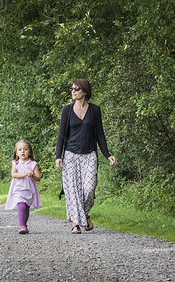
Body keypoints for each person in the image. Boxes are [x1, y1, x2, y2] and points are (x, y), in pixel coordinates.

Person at [54, 79, 116, 234]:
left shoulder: (95, 110)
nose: (73, 91)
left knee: (89, 190)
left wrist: (107, 154)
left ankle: (84, 215)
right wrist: (58, 156)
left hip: (90, 155)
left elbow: (100, 135)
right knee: (73, 191)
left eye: (77, 88)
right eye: (72, 89)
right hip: (70, 155)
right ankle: (76, 224)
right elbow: (61, 135)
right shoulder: (67, 111)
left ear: (85, 92)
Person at [5, 139, 42, 234]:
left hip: (29, 190)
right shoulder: (15, 163)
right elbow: (13, 175)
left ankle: (24, 225)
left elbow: (38, 177)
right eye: (20, 149)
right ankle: (22, 226)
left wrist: (32, 175)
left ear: (29, 152)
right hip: (18, 189)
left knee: (26, 208)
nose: (22, 151)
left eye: (25, 149)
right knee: (21, 205)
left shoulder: (33, 164)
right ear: (16, 153)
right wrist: (25, 174)